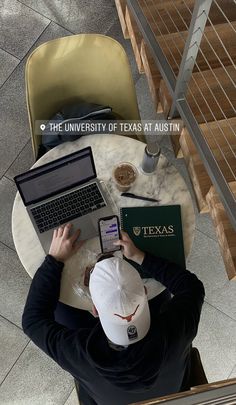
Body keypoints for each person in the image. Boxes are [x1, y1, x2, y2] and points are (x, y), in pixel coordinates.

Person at [22, 223, 205, 405]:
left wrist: (54, 260)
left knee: (63, 309)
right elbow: (192, 287)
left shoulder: (81, 355)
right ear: (146, 290)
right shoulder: (177, 332)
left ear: (94, 310)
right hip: (170, 390)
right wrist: (141, 257)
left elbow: (32, 321)